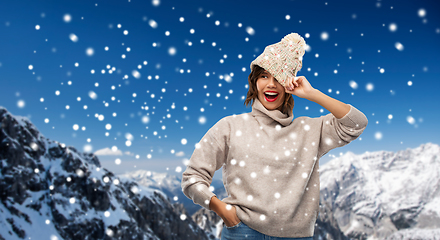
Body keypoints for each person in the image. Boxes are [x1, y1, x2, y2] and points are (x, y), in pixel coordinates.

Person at [181, 33, 368, 240]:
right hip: (242, 232)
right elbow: (192, 178)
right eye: (264, 76)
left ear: (289, 87)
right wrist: (224, 211)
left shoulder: (310, 130)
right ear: (254, 82)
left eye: (279, 77)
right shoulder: (230, 127)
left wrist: (313, 94)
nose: (271, 84)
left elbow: (356, 123)